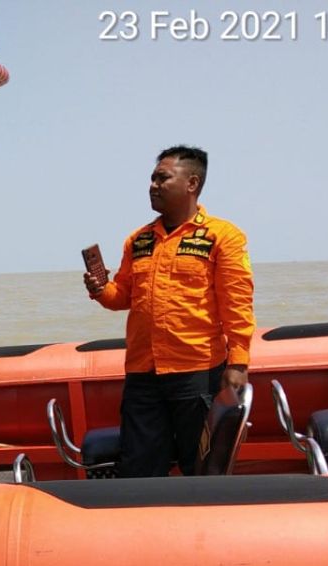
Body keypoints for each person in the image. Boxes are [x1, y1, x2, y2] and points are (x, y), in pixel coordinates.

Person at [84, 145, 255, 478]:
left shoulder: (222, 236)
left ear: (191, 183)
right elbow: (123, 296)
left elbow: (237, 303)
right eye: (151, 178)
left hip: (197, 372)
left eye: (162, 178)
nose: (153, 185)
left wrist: (238, 363)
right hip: (143, 374)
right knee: (140, 467)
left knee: (202, 468)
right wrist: (100, 289)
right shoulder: (139, 240)